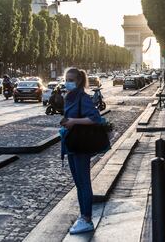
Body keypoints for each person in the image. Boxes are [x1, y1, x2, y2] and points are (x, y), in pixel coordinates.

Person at [59, 67, 102, 235]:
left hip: (80, 145)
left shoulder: (82, 97)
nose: (68, 82)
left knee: (84, 183)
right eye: (66, 79)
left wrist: (73, 121)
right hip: (71, 144)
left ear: (79, 81)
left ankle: (87, 219)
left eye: (71, 80)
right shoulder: (69, 97)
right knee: (78, 183)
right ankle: (83, 215)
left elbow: (95, 118)